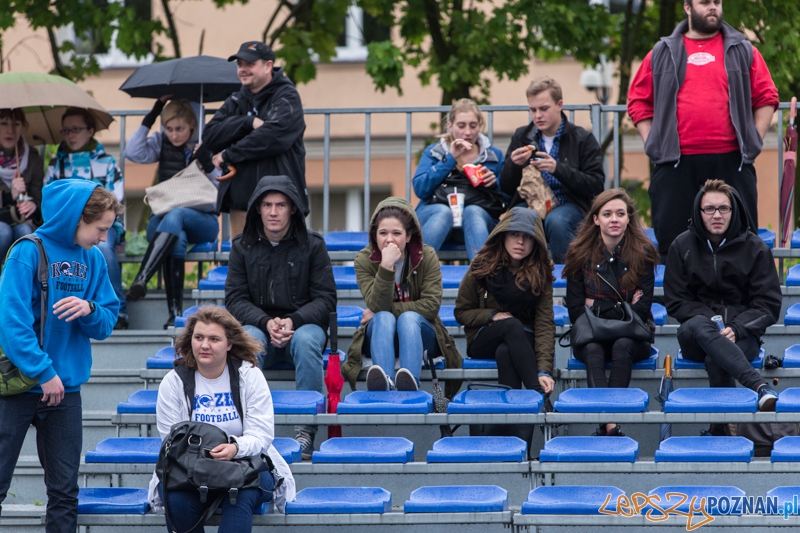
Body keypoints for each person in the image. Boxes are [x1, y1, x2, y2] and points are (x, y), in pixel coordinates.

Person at [0, 180, 121, 531]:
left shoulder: (95, 259)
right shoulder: (27, 251)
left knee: (65, 492)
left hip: (66, 391)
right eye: (100, 229)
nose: (103, 238)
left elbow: (105, 324)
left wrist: (90, 308)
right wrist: (42, 370)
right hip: (19, 386)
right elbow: (11, 323)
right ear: (75, 218)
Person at [628, 0, 778, 261]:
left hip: (732, 160)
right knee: (673, 244)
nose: (713, 7)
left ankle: (740, 302)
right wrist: (652, 140)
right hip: (675, 162)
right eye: (705, 2)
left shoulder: (743, 50)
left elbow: (766, 96)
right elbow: (638, 100)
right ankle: (680, 303)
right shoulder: (661, 51)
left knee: (741, 241)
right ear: (687, 7)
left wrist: (754, 139)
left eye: (717, 2)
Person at [149, 306, 296, 528]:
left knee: (241, 496)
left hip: (245, 463)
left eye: (214, 339)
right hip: (189, 467)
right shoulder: (174, 381)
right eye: (198, 337)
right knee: (176, 499)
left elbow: (262, 435)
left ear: (229, 344)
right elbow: (171, 441)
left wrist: (234, 448)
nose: (204, 345)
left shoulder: (250, 376)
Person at [225, 175, 335, 460]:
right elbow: (234, 299)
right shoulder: (242, 246)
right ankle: (249, 430)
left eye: (281, 205)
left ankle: (306, 431)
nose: (273, 212)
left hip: (302, 329)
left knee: (308, 338)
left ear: (293, 209)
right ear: (258, 209)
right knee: (248, 337)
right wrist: (266, 322)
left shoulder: (313, 245)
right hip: (260, 329)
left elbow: (325, 299)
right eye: (267, 205)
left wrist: (293, 321)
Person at [665, 179, 781, 411]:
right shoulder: (681, 246)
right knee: (699, 323)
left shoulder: (756, 248)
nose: (716, 215)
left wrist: (737, 329)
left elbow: (768, 305)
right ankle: (759, 386)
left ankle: (721, 429)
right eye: (709, 209)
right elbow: (676, 301)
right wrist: (712, 322)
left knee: (716, 360)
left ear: (733, 210)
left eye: (723, 208)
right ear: (699, 212)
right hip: (695, 335)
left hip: (743, 335)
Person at [563, 189, 659, 436]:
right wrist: (623, 306)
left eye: (620, 213)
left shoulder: (644, 252)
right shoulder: (578, 254)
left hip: (634, 334)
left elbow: (642, 308)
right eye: (607, 214)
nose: (614, 219)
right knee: (594, 350)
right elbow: (575, 310)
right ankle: (611, 425)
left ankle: (608, 424)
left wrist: (593, 304)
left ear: (629, 218)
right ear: (596, 219)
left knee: (622, 344)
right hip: (591, 335)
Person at [342, 198, 461, 393]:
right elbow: (377, 305)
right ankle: (386, 381)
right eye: (383, 233)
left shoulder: (426, 255)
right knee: (383, 317)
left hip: (422, 336)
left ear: (408, 236)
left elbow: (430, 306)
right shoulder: (364, 260)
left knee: (406, 318)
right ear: (375, 235)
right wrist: (386, 266)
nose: (389, 239)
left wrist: (387, 310)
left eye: (396, 233)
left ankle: (409, 381)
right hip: (381, 334)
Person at [124, 96, 220, 328]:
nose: (174, 135)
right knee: (177, 233)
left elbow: (219, 192)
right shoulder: (160, 143)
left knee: (175, 216)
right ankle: (175, 315)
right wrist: (154, 112)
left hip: (203, 220)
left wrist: (207, 161)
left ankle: (142, 278)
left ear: (193, 126)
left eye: (180, 129)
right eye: (169, 129)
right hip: (166, 220)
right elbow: (132, 151)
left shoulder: (208, 146)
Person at [203, 40, 307, 238]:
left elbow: (271, 137)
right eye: (240, 64)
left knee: (281, 265)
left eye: (249, 64)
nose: (243, 69)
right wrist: (247, 122)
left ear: (268, 66)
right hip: (242, 204)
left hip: (281, 203)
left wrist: (228, 153)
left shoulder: (287, 96)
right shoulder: (236, 99)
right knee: (243, 266)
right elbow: (210, 136)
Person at [500, 77, 605, 263]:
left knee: (557, 221)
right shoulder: (522, 136)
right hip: (531, 203)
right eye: (533, 110)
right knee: (516, 218)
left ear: (559, 105)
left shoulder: (582, 138)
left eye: (544, 108)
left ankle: (566, 282)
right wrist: (513, 165)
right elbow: (507, 188)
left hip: (570, 205)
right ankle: (516, 283)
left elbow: (596, 186)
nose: (538, 115)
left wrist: (558, 169)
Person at [454, 206, 555, 394]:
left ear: (536, 242)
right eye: (514, 234)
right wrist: (492, 315)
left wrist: (544, 369)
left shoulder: (541, 274)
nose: (520, 241)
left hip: (524, 339)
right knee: (511, 324)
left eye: (528, 236)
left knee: (505, 352)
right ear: (502, 235)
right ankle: (538, 393)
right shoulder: (481, 266)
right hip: (484, 337)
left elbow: (544, 323)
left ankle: (515, 418)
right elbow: (461, 313)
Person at [44, 107, 128, 329]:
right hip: (64, 230)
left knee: (104, 249)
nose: (70, 135)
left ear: (90, 131)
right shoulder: (56, 164)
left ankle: (119, 310)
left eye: (76, 129)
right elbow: (49, 202)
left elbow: (115, 199)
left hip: (102, 225)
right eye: (66, 130)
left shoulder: (108, 162)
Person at [412, 98, 507, 261]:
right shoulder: (435, 152)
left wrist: (495, 184)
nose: (468, 132)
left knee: (473, 211)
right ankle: (412, 274)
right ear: (450, 126)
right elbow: (420, 188)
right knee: (443, 212)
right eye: (461, 126)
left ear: (480, 126)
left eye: (473, 125)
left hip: (478, 224)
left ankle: (483, 280)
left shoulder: (493, 156)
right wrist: (449, 158)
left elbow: (507, 199)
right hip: (436, 219)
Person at [0, 108, 43, 261]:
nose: (10, 130)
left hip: (22, 221)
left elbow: (39, 199)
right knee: (3, 231)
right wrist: (9, 196)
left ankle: (20, 282)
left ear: (23, 127)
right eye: (3, 123)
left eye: (16, 124)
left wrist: (33, 205)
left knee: (26, 233)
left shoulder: (33, 160)